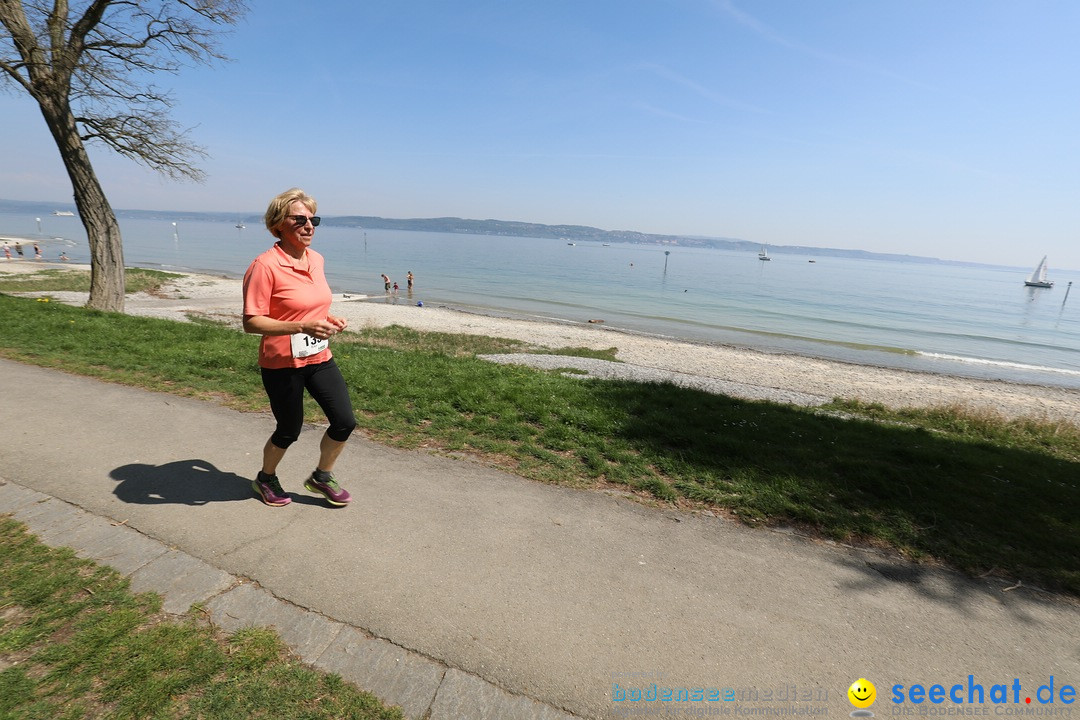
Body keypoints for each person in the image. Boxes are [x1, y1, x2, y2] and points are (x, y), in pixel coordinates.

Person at [242, 188, 357, 508]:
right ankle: (265, 479)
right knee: (289, 429)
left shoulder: (316, 259)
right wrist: (302, 326)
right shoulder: (264, 266)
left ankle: (322, 476)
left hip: (319, 355)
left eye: (314, 220)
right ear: (278, 224)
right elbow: (252, 322)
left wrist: (327, 320)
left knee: (345, 421)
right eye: (300, 219)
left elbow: (310, 306)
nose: (309, 226)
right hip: (281, 362)